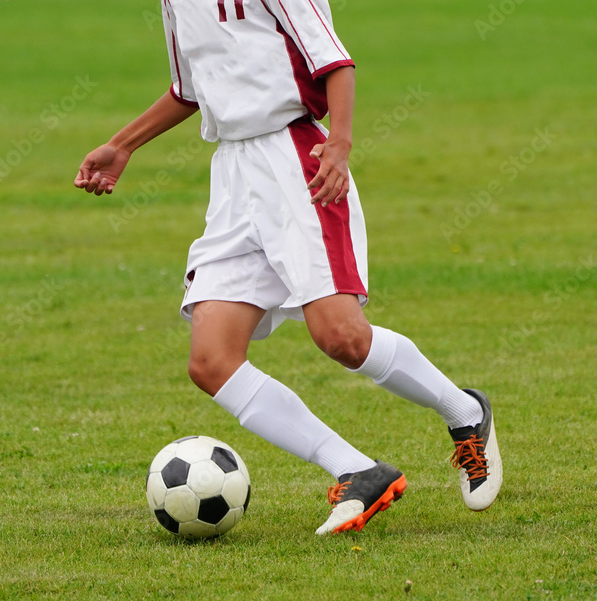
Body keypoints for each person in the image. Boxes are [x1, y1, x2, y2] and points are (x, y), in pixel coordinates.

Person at [73, 0, 502, 535]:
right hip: (232, 179)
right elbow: (190, 88)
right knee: (211, 361)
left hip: (297, 161)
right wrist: (121, 145)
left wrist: (339, 145)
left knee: (342, 338)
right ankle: (358, 470)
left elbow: (334, 62)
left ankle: (463, 412)